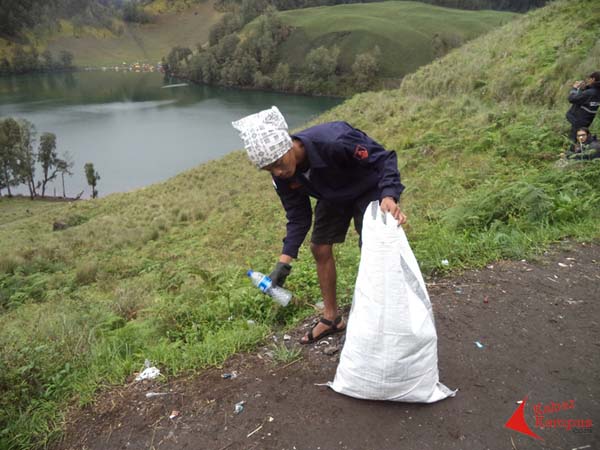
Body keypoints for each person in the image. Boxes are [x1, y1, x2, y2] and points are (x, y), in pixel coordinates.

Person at [232, 106, 406, 344]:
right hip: (333, 195)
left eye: (279, 162)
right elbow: (298, 216)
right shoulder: (282, 176)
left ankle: (382, 315)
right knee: (319, 247)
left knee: (373, 248)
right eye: (269, 169)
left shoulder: (335, 140)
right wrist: (284, 262)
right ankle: (332, 318)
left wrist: (389, 195)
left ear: (288, 145)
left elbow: (384, 158)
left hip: (368, 188)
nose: (279, 171)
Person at [566, 71, 600, 141]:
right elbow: (586, 99)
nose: (588, 80)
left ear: (593, 79)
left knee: (574, 139)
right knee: (582, 137)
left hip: (578, 119)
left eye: (589, 79)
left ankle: (572, 151)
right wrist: (584, 88)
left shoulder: (590, 93)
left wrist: (574, 88)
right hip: (588, 119)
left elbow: (572, 99)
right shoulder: (596, 92)